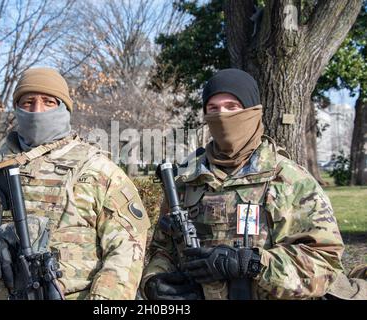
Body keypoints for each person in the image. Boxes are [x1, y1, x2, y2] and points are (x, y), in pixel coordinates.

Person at [0, 67, 150, 300]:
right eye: (28, 102)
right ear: (16, 108)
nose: (37, 111)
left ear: (64, 108)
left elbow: (127, 253)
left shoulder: (97, 170)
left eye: (48, 102)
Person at [140, 68, 347, 300]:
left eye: (232, 107)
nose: (222, 116)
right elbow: (162, 250)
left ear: (253, 111)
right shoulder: (184, 181)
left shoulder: (290, 180)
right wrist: (154, 281)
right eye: (213, 109)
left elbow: (325, 261)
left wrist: (253, 264)